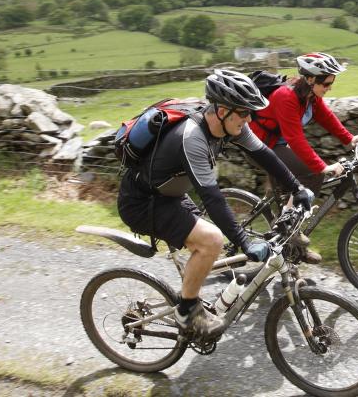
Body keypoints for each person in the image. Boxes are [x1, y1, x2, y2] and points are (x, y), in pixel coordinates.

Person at [117, 69, 314, 338]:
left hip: (169, 194)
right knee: (212, 240)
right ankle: (186, 313)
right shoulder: (192, 138)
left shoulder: (231, 124)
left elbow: (264, 154)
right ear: (222, 109)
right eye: (244, 112)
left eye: (250, 113)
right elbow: (212, 196)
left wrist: (297, 187)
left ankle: (189, 295)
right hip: (142, 203)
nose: (249, 119)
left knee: (207, 243)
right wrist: (244, 241)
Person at [249, 53, 358, 262]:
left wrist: (349, 139)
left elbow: (327, 118)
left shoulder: (310, 96)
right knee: (312, 173)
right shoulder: (286, 97)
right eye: (327, 82)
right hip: (260, 147)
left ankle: (292, 250)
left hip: (278, 145)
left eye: (332, 82)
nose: (330, 87)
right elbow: (295, 138)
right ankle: (286, 228)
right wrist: (322, 166)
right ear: (311, 79)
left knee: (293, 195)